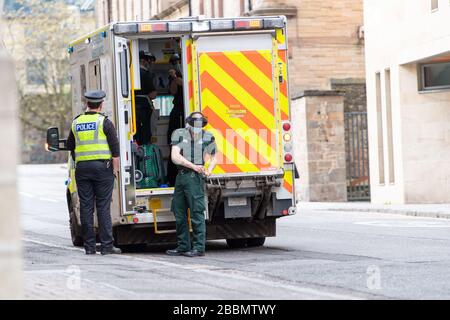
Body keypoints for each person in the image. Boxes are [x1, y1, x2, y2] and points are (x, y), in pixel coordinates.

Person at [66, 90, 122, 255]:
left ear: (87, 104)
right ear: (101, 104)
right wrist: (115, 172)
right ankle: (106, 246)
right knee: (103, 207)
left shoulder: (76, 122)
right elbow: (115, 150)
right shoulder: (104, 122)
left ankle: (89, 247)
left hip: (82, 169)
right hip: (102, 169)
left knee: (86, 207)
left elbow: (70, 146)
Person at [166, 111, 217, 257]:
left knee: (197, 212)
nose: (197, 128)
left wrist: (209, 170)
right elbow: (175, 157)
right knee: (179, 211)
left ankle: (198, 248)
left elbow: (214, 157)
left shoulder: (208, 136)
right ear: (189, 123)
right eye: (195, 125)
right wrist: (193, 165)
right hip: (182, 176)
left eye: (200, 125)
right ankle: (183, 246)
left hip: (195, 178)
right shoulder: (179, 134)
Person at [166, 68, 185, 186]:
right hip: (177, 113)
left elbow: (184, 84)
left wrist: (175, 77)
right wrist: (173, 79)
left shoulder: (183, 78)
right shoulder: (174, 80)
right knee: (173, 145)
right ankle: (172, 179)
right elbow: (173, 91)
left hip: (183, 112)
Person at [135, 51, 158, 145]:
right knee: (146, 135)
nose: (150, 64)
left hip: (134, 110)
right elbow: (153, 94)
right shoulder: (146, 74)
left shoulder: (131, 73)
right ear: (143, 61)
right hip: (144, 110)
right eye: (149, 61)